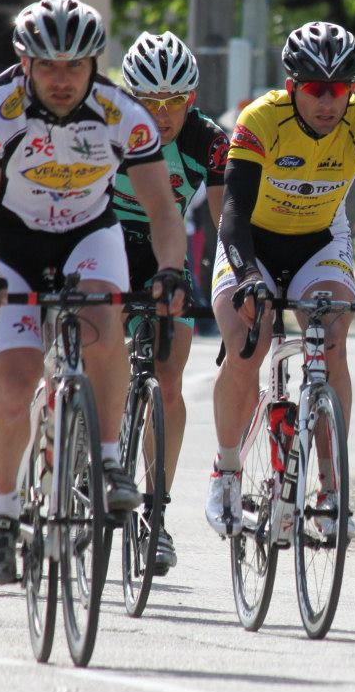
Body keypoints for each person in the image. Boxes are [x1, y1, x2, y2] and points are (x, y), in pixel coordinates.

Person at [0, 0, 187, 585]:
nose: (62, 80)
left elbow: (162, 209)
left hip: (90, 232)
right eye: (49, 66)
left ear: (93, 66)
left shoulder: (122, 114)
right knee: (12, 387)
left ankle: (109, 460)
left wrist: (170, 270)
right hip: (12, 241)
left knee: (105, 321)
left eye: (74, 67)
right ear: (25, 62)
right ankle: (3, 519)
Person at [205, 21, 355, 538]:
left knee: (334, 337)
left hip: (320, 240)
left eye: (340, 88)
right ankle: (227, 472)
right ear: (291, 86)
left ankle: (329, 489)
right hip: (253, 240)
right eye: (316, 89)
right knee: (244, 348)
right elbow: (232, 212)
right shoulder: (260, 118)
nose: (328, 101)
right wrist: (249, 274)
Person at [114, 30, 228, 571]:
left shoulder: (208, 140)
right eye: (147, 103)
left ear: (192, 98)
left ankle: (155, 516)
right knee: (90, 337)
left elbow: (229, 224)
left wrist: (239, 281)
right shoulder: (107, 125)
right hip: (105, 237)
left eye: (173, 103)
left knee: (171, 369)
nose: (160, 115)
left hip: (164, 246)